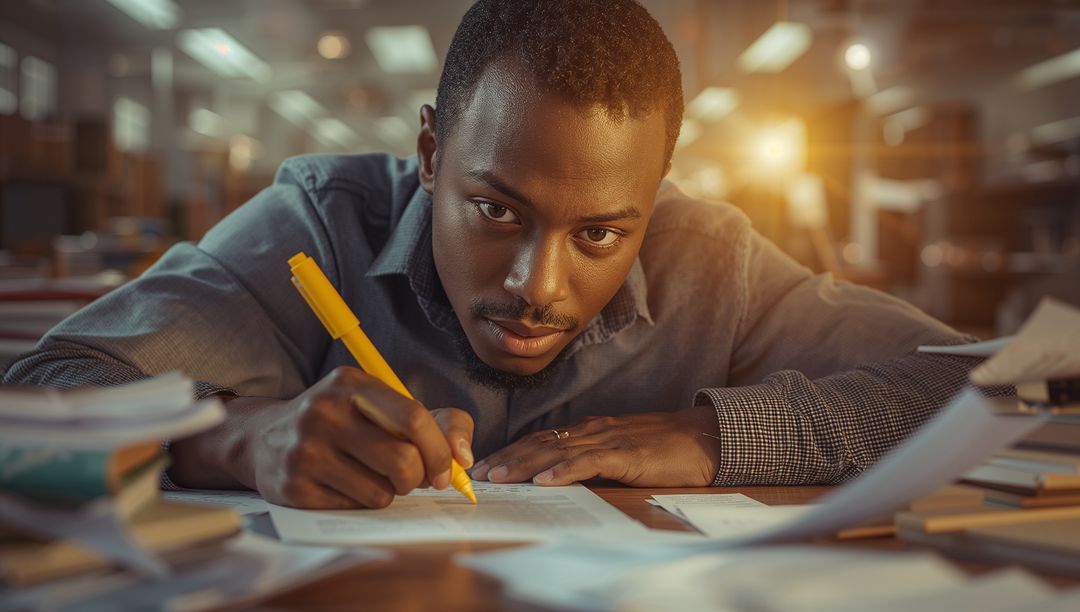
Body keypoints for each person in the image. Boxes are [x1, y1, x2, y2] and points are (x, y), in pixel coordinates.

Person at [3, 0, 982, 509]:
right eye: (496, 210)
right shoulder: (317, 224)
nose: (538, 286)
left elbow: (988, 385)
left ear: (655, 195)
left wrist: (720, 437)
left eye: (602, 233)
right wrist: (234, 443)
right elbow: (38, 399)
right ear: (431, 154)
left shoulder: (709, 260)